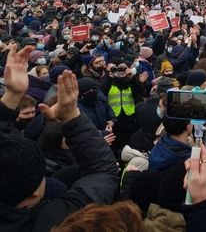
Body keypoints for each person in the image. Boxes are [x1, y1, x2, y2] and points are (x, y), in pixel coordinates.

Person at [0, 44, 119, 231]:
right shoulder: (59, 219)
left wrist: (12, 96)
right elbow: (103, 170)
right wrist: (72, 116)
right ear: (34, 195)